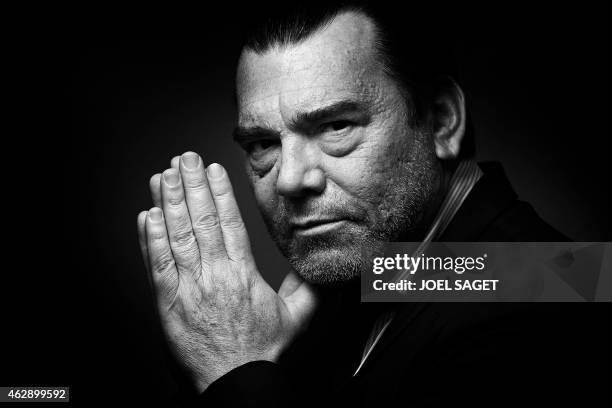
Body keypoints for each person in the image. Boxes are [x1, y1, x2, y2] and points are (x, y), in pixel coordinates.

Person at [136, 3, 573, 406]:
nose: (289, 179)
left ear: (441, 120)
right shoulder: (394, 270)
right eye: (263, 143)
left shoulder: (546, 300)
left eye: (337, 126)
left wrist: (234, 371)